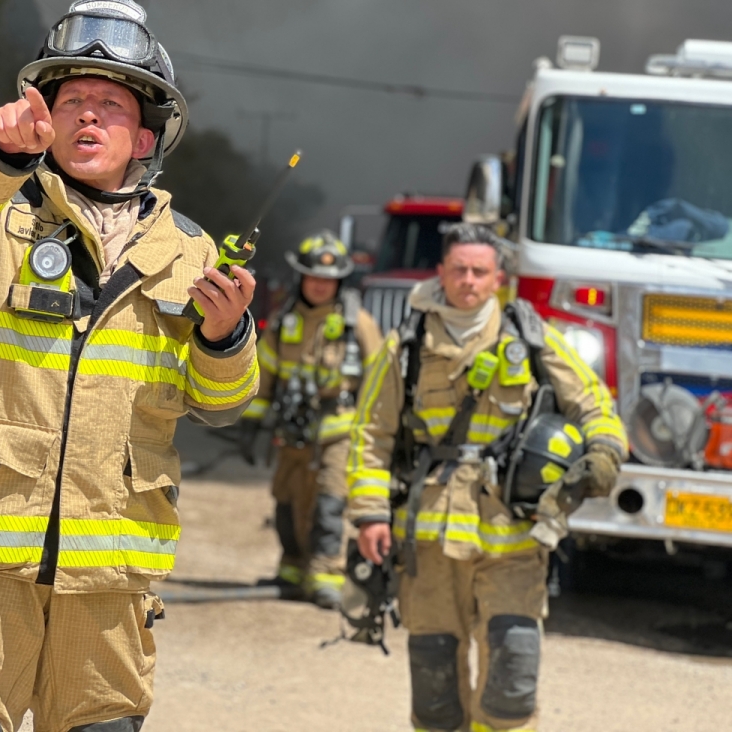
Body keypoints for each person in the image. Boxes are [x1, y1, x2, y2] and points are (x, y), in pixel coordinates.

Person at [0, 0, 259, 732]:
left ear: (148, 138)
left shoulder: (190, 252)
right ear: (44, 121)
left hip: (109, 589)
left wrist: (226, 340)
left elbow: (221, 405)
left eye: (113, 105)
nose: (88, 113)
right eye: (73, 100)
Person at [347, 222, 626, 732]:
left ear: (498, 277)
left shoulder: (532, 337)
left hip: (514, 541)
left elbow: (595, 402)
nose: (468, 280)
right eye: (459, 270)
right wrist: (369, 516)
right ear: (441, 273)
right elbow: (370, 433)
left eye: (480, 271)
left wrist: (605, 450)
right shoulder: (405, 346)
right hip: (428, 542)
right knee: (435, 691)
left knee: (511, 682)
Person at [241, 231, 382, 608]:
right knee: (286, 503)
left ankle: (326, 574)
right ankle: (292, 568)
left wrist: (378, 435)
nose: (320, 285)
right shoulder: (286, 321)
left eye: (329, 279)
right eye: (313, 277)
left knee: (329, 504)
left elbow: (380, 380)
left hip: (339, 431)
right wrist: (251, 421)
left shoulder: (359, 325)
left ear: (340, 281)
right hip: (293, 432)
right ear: (301, 278)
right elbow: (264, 372)